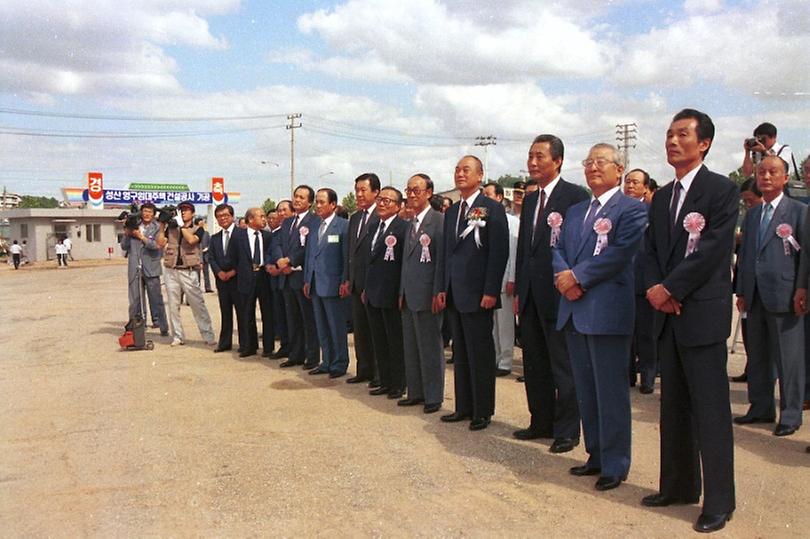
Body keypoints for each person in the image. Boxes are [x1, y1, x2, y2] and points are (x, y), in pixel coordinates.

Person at [642, 109, 737, 533]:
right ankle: (677, 486)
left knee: (711, 411)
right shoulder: (661, 196)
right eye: (668, 134)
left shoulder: (720, 190)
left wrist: (672, 289)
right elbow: (649, 251)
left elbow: (713, 250)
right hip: (667, 315)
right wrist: (654, 289)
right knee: (674, 406)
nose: (673, 141)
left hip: (700, 313)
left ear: (704, 144)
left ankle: (719, 501)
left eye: (683, 134)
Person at [553, 143, 647, 492]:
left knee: (610, 391)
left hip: (607, 311)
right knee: (586, 390)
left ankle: (616, 462)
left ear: (619, 169)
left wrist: (578, 277)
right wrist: (565, 278)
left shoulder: (632, 210)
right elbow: (558, 249)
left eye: (601, 162)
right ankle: (595, 454)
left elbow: (621, 254)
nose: (593, 167)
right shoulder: (577, 210)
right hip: (575, 310)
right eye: (588, 162)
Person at [513, 134, 589, 453]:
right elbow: (525, 251)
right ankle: (540, 421)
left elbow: (579, 245)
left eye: (539, 156)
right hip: (530, 294)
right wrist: (519, 289)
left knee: (564, 365)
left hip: (559, 294)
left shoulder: (574, 196)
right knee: (534, 362)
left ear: (557, 161)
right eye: (530, 156)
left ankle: (568, 430)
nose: (532, 162)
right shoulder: (530, 199)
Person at [736, 156, 805, 437]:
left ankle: (791, 414)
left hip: (785, 294)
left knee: (788, 359)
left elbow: (806, 257)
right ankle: (760, 407)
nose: (765, 176)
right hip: (754, 295)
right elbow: (746, 255)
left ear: (785, 178)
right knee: (759, 355)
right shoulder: (752, 213)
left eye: (773, 172)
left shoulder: (799, 212)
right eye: (762, 172)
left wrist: (802, 288)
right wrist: (741, 289)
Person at [439, 155, 509, 431]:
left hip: (479, 292)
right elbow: (448, 253)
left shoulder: (491, 208)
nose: (460, 174)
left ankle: (482, 409)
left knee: (480, 352)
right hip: (456, 292)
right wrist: (443, 288)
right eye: (457, 169)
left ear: (480, 176)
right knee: (461, 353)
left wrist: (491, 289)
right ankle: (463, 406)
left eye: (466, 170)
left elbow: (498, 252)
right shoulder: (453, 211)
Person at [399, 174, 445, 413]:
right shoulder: (411, 223)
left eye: (416, 190)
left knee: (430, 347)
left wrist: (438, 290)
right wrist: (401, 291)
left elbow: (440, 260)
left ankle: (433, 395)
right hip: (409, 294)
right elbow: (406, 262)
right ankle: (415, 391)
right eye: (408, 190)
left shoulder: (438, 221)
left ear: (429, 192)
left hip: (428, 293)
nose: (411, 195)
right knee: (411, 346)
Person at [364, 186, 409, 398]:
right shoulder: (374, 226)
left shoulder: (403, 228)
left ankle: (398, 383)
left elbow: (402, 265)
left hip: (391, 294)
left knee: (395, 341)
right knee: (379, 340)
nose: (382, 203)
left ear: (399, 206)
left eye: (388, 201)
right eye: (380, 199)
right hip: (373, 292)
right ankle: (384, 380)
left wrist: (400, 292)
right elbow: (370, 262)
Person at [274, 185, 321, 370]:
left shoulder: (314, 221)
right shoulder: (287, 222)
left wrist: (290, 261)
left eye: (302, 197)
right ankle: (295, 354)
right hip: (286, 277)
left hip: (301, 276)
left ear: (310, 202)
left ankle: (312, 357)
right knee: (292, 319)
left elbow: (308, 248)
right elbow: (277, 243)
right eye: (295, 196)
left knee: (308, 319)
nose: (297, 200)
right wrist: (280, 260)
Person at [304, 188, 349, 378]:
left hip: (333, 285)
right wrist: (307, 279)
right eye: (317, 203)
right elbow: (309, 256)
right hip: (315, 284)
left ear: (333, 205)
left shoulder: (343, 226)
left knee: (336, 327)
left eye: (322, 202)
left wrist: (344, 280)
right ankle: (327, 360)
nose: (318, 206)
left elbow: (346, 257)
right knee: (322, 326)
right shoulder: (315, 227)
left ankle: (339, 363)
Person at [343, 173, 382, 385]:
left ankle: (378, 372)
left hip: (373, 285)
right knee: (360, 330)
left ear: (375, 192)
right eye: (356, 190)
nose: (358, 194)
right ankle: (363, 369)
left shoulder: (381, 216)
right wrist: (347, 279)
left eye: (363, 190)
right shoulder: (355, 217)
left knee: (375, 331)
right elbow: (350, 252)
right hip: (356, 284)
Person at [162, 201, 216, 347]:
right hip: (171, 270)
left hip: (189, 271)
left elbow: (191, 240)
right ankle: (178, 336)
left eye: (186, 210)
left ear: (192, 213)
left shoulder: (199, 229)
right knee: (173, 306)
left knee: (197, 305)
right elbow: (161, 242)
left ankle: (208, 335)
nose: (183, 212)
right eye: (181, 210)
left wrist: (181, 226)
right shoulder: (171, 229)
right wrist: (162, 224)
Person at [624, 168, 656, 394]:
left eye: (635, 183)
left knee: (646, 333)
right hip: (622, 282)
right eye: (627, 182)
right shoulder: (616, 212)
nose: (630, 186)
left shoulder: (652, 213)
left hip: (645, 282)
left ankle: (648, 375)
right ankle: (626, 375)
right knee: (625, 332)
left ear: (646, 187)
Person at [483, 182, 519, 376]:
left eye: (488, 195)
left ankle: (505, 361)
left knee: (504, 324)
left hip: (505, 280)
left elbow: (513, 253)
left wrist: (512, 278)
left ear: (499, 197)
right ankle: (495, 357)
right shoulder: (481, 219)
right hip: (487, 281)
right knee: (492, 325)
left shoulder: (512, 221)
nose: (485, 198)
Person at [120, 201, 169, 337]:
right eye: (145, 211)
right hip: (135, 268)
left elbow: (156, 245)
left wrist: (141, 237)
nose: (147, 214)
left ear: (153, 214)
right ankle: (138, 326)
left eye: (150, 212)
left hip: (151, 267)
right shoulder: (134, 225)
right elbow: (124, 246)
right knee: (135, 300)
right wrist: (127, 232)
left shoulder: (157, 227)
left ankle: (163, 327)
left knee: (156, 299)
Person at [209, 203, 241, 353]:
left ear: (232, 216)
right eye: (219, 216)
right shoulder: (215, 238)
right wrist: (219, 272)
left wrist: (234, 271)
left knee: (242, 313)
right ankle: (224, 343)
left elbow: (245, 257)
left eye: (225, 216)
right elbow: (211, 258)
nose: (223, 219)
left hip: (238, 280)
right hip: (222, 281)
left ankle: (245, 343)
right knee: (225, 313)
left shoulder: (241, 234)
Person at [266, 201, 291, 359]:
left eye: (284, 210)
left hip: (292, 277)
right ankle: (285, 346)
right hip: (277, 281)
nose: (281, 213)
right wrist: (270, 265)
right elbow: (271, 251)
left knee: (293, 319)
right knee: (280, 316)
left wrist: (282, 266)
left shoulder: (299, 230)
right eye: (279, 211)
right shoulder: (275, 233)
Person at [195, 217, 214, 293]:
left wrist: (207, 248)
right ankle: (197, 287)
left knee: (206, 273)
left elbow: (210, 243)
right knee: (197, 273)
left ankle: (208, 288)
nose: (202, 223)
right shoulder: (194, 232)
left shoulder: (206, 233)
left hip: (205, 256)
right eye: (201, 222)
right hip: (197, 256)